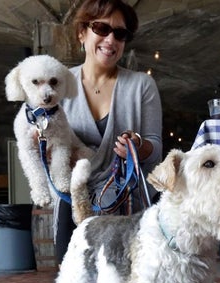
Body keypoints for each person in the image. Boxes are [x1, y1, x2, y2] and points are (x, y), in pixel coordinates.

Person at [56, 0, 163, 263]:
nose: (110, 39)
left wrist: (138, 146)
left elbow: (156, 147)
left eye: (120, 33)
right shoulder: (58, 84)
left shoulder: (142, 85)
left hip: (126, 206)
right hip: (73, 202)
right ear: (82, 33)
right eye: (101, 28)